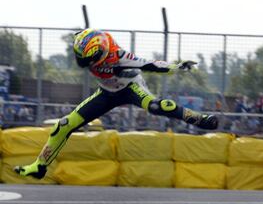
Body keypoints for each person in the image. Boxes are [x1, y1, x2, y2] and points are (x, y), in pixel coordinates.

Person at [14, 29, 218, 179]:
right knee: (63, 125)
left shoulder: (120, 57)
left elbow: (151, 65)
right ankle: (39, 166)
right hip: (107, 92)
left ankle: (198, 118)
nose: (88, 64)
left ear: (103, 51)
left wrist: (178, 66)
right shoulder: (85, 41)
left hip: (130, 89)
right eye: (83, 59)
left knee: (155, 106)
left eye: (92, 59)